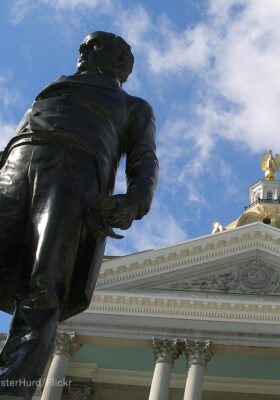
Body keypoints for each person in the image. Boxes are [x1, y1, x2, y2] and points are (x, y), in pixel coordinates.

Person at [0, 31, 158, 399]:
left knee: (42, 289)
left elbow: (143, 160)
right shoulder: (52, 90)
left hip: (73, 177)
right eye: (85, 45)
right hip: (15, 167)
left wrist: (134, 201)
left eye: (95, 46)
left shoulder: (133, 107)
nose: (84, 50)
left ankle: (10, 390)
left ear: (119, 63)